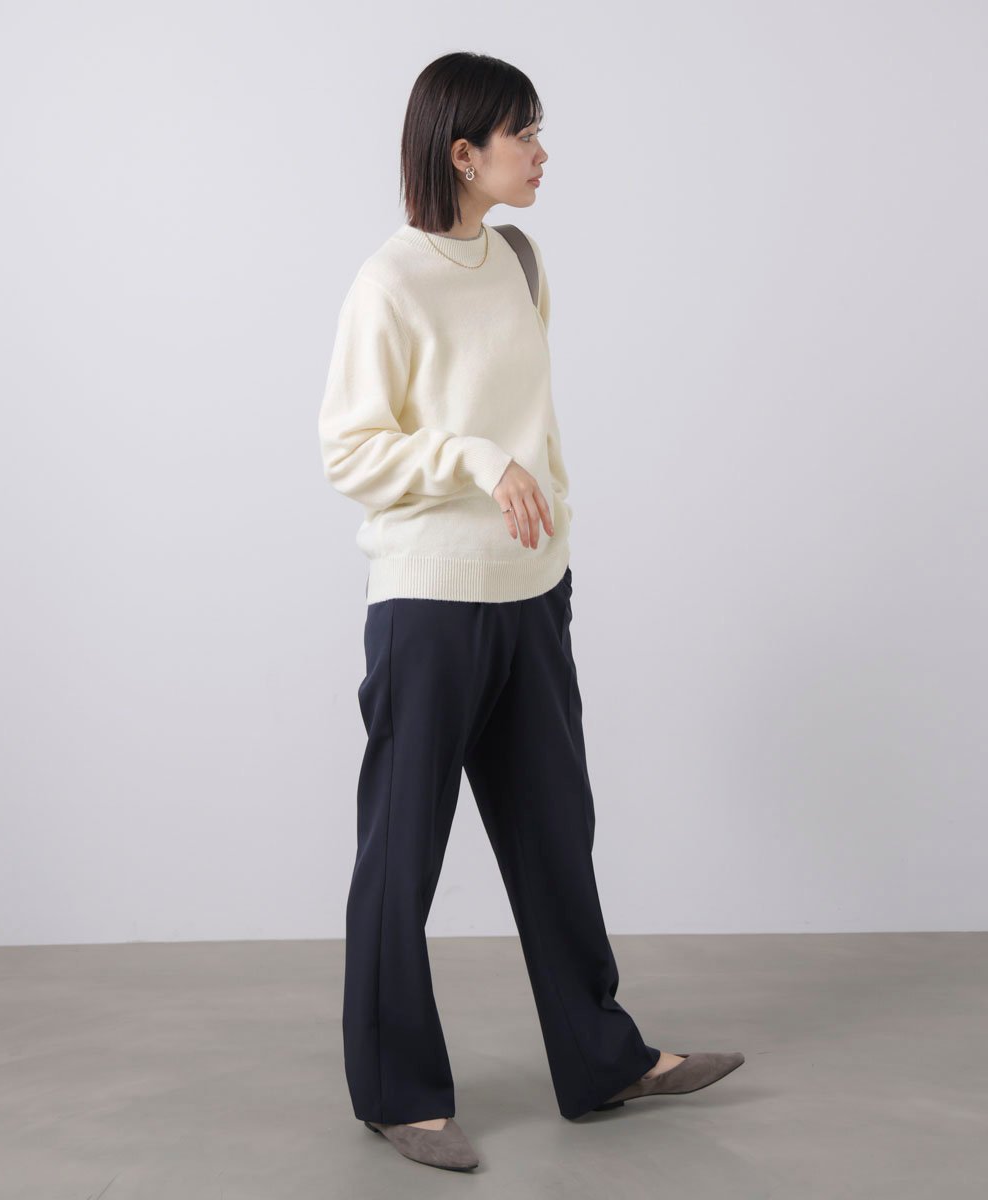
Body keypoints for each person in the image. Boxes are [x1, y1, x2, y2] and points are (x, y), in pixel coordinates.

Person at [317, 51, 744, 1173]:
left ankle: (602, 1061)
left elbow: (534, 422)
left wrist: (553, 535)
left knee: (557, 835)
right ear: (465, 153)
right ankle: (398, 1094)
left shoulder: (517, 259)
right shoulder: (389, 283)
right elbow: (349, 451)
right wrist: (473, 459)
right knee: (401, 857)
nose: (543, 153)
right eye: (525, 135)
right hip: (429, 604)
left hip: (530, 595)